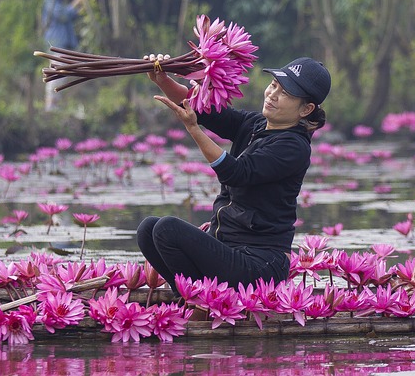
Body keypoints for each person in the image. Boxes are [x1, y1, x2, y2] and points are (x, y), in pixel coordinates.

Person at [136, 56, 331, 296]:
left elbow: (236, 173)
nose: (272, 95)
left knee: (167, 228)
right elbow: (203, 109)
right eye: (273, 85)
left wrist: (193, 129)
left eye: (286, 94)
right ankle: (194, 298)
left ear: (306, 109)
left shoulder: (294, 147)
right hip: (227, 247)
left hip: (260, 264)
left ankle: (197, 301)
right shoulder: (254, 124)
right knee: (148, 229)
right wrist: (162, 79)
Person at [42, 0, 85, 111]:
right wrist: (76, 2)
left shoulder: (57, 2)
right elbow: (63, 15)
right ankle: (51, 105)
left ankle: (55, 104)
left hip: (62, 43)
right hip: (56, 43)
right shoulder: (50, 0)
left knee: (62, 72)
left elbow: (68, 14)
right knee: (56, 72)